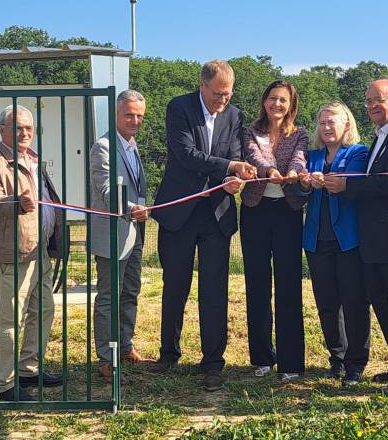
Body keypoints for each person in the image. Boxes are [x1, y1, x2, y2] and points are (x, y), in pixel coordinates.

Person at [150, 59, 257, 392]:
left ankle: (213, 362)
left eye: (228, 95)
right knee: (175, 285)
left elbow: (236, 155)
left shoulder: (235, 115)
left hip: (216, 215)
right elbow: (186, 154)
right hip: (179, 213)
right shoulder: (178, 108)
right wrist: (230, 166)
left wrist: (232, 179)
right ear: (202, 85)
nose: (223, 101)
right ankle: (169, 354)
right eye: (218, 94)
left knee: (214, 291)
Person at [0, 104, 64, 401]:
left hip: (40, 249)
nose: (25, 133)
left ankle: (29, 368)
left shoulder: (34, 159)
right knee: (10, 318)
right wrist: (16, 201)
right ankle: (7, 384)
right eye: (18, 127)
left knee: (43, 310)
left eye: (29, 127)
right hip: (13, 252)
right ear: (2, 130)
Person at [323, 78, 388, 392]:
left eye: (378, 100)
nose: (371, 106)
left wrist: (347, 186)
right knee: (384, 305)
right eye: (368, 101)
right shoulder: (381, 137)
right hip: (374, 240)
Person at [239, 80, 308, 383]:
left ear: (291, 105)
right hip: (255, 211)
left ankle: (291, 362)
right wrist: (270, 172)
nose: (276, 104)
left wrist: (292, 171)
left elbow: (299, 157)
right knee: (257, 283)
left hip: (288, 213)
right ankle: (262, 358)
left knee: (289, 284)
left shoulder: (301, 133)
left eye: (282, 100)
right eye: (272, 98)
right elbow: (254, 157)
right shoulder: (249, 130)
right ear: (264, 101)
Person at [299, 102, 370, 387]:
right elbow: (301, 183)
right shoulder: (311, 155)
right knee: (327, 303)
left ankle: (356, 363)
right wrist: (304, 181)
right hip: (316, 239)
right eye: (322, 122)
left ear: (347, 125)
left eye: (332, 122)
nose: (326, 127)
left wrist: (321, 180)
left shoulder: (359, 152)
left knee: (354, 302)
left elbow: (348, 181)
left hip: (348, 239)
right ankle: (336, 359)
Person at [89, 89, 151, 383]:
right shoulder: (103, 146)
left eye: (139, 115)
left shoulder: (132, 145)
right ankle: (106, 357)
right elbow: (107, 190)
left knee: (130, 292)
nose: (135, 120)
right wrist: (131, 208)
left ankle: (125, 347)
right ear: (116, 114)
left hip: (135, 231)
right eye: (129, 114)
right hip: (113, 233)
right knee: (108, 297)